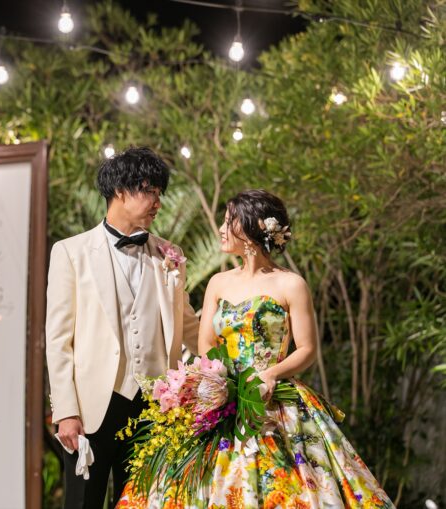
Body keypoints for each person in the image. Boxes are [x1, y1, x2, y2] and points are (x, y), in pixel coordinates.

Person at [117, 189, 395, 508]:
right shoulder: (218, 282)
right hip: (223, 395)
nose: (221, 229)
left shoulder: (291, 284)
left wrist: (270, 374)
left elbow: (307, 348)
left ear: (252, 227)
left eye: (228, 222)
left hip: (274, 400)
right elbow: (206, 343)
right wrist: (218, 381)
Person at [46, 147, 200, 509]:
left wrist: (232, 355)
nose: (157, 203)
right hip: (91, 410)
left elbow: (189, 324)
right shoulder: (71, 252)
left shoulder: (169, 255)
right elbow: (58, 340)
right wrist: (66, 410)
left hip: (153, 409)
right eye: (150, 191)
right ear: (120, 190)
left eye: (160, 193)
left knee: (144, 504)